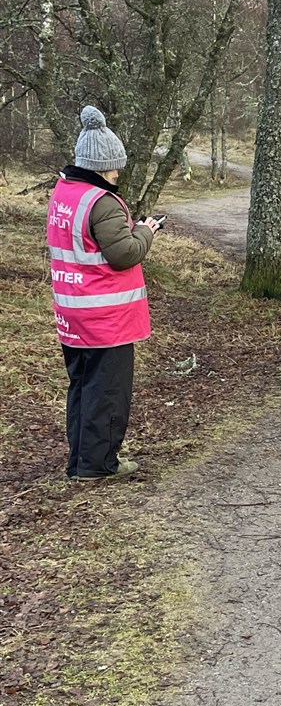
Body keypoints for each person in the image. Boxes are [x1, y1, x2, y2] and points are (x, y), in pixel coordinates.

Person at [46, 106, 163, 480]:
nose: (117, 173)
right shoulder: (102, 201)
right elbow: (124, 253)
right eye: (114, 166)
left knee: (82, 387)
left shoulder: (65, 192)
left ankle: (80, 460)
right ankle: (99, 466)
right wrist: (146, 231)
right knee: (108, 393)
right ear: (100, 166)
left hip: (73, 311)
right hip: (105, 317)